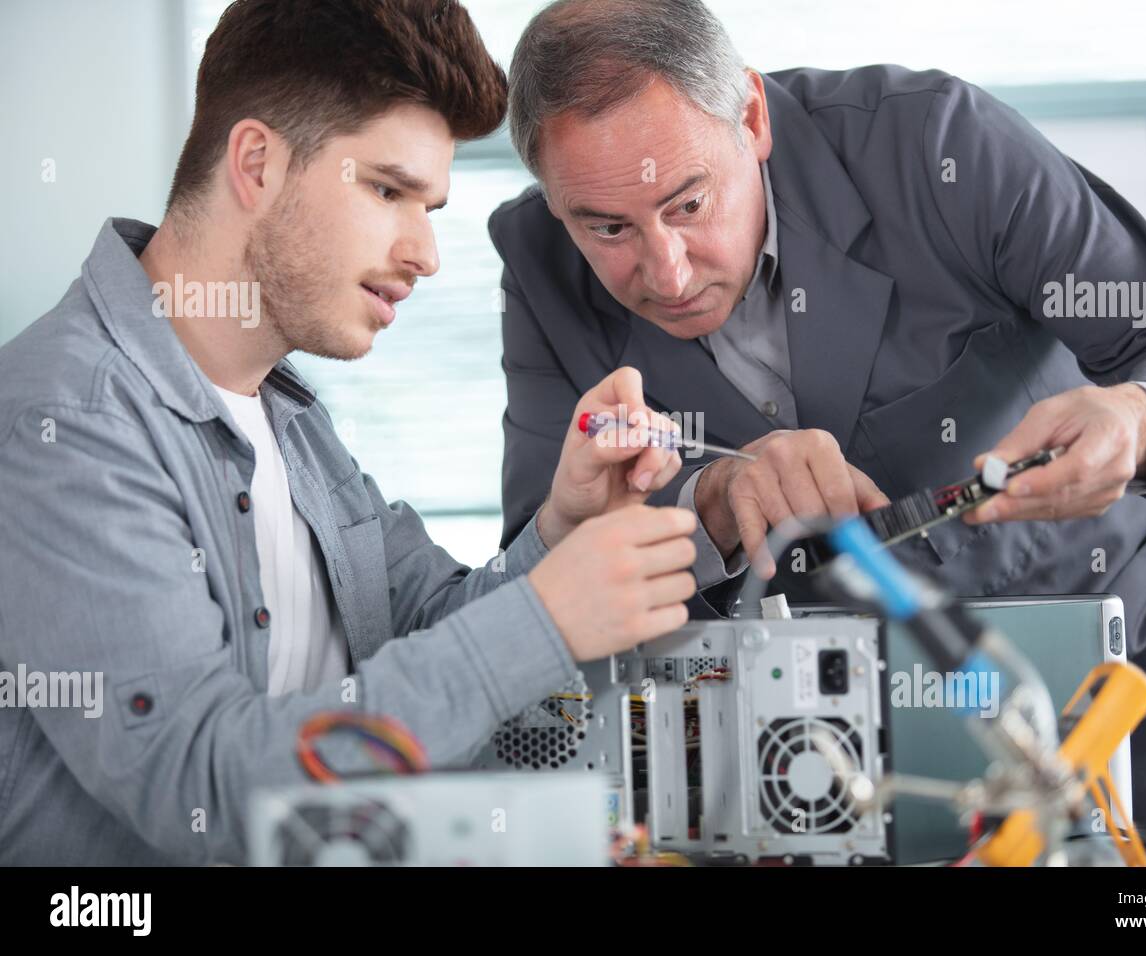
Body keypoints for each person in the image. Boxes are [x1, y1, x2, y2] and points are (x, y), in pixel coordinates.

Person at [490, 0, 1146, 823]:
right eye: (607, 228)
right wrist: (706, 502)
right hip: (837, 758)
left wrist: (1140, 423)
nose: (665, 272)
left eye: (689, 205)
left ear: (752, 116)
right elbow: (546, 560)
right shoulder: (536, 265)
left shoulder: (939, 146)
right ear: (555, 203)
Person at [0, 0, 703, 865]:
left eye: (432, 206)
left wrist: (563, 527)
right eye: (386, 190)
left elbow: (422, 630)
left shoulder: (288, 418)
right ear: (255, 163)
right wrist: (546, 621)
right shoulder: (66, 422)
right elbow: (199, 785)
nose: (425, 253)